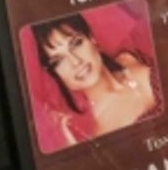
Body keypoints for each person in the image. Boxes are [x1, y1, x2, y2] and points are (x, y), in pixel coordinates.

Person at [33, 13, 161, 147]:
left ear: (92, 39)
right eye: (58, 61)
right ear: (54, 75)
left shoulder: (135, 56)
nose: (76, 61)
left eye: (76, 43)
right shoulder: (88, 136)